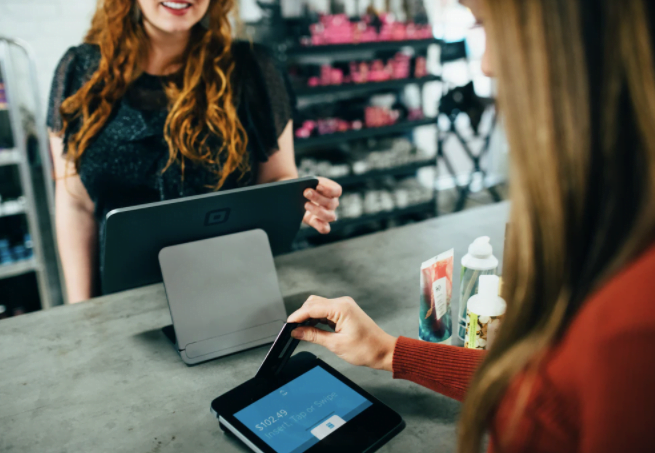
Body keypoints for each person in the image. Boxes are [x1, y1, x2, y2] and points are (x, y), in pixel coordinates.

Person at [288, 0, 655, 452]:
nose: (487, 64)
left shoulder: (631, 325)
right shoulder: (609, 240)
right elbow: (543, 385)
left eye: (488, 25)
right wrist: (389, 351)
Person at [47, 0, 342, 303]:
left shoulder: (252, 67)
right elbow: (75, 205)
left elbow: (277, 177)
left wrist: (302, 198)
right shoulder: (79, 71)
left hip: (234, 288)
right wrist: (81, 309)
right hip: (123, 298)